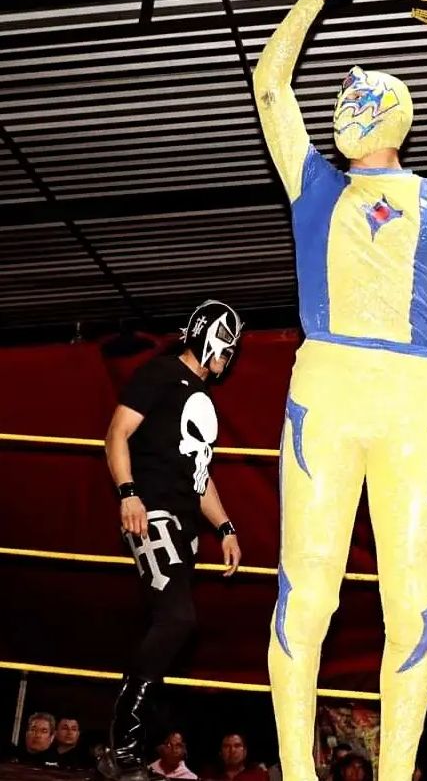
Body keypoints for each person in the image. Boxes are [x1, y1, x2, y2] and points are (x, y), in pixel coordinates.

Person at [253, 0, 427, 781]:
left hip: (383, 397)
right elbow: (269, 88)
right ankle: (300, 773)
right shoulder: (319, 184)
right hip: (352, 394)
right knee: (315, 592)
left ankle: (389, 773)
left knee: (409, 598)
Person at [100, 300, 244, 781]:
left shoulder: (200, 395)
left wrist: (225, 527)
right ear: (208, 338)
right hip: (152, 513)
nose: (228, 358)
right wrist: (129, 494)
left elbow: (199, 474)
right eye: (226, 347)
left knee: (170, 625)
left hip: (184, 525)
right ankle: (123, 741)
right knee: (177, 619)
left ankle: (125, 748)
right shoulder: (159, 373)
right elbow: (116, 434)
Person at [204, 732, 268, 781]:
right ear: (220, 753)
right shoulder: (208, 776)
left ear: (245, 752)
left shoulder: (259, 776)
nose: (232, 750)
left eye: (237, 746)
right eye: (226, 746)